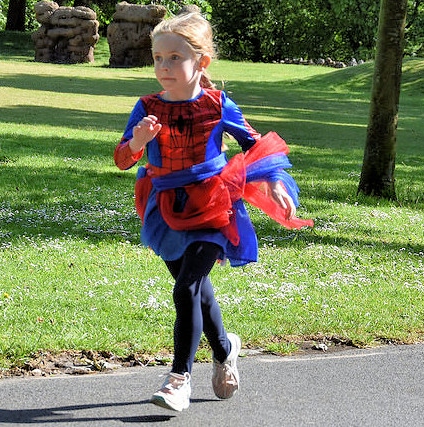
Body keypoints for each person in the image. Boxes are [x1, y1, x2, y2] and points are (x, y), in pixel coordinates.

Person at [113, 11, 313, 412]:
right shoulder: (147, 106)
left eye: (174, 58)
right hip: (164, 205)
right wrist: (137, 141)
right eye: (157, 58)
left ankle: (178, 380)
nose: (164, 67)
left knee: (185, 287)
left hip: (213, 204)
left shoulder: (218, 104)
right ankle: (225, 349)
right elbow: (121, 158)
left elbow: (256, 143)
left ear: (201, 62)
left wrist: (274, 181)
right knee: (199, 292)